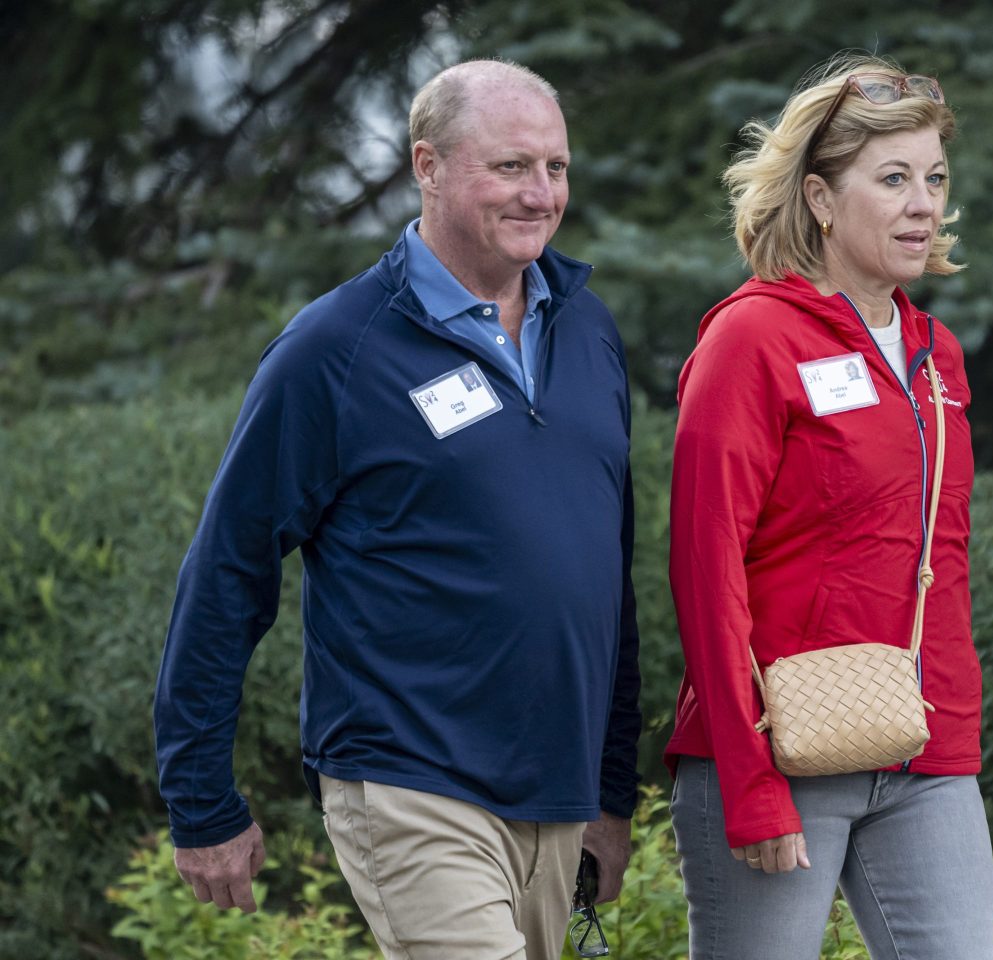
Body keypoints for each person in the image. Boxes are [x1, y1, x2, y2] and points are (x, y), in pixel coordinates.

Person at [154, 59, 642, 960]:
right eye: (511, 167)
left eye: (557, 168)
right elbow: (228, 569)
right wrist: (198, 798)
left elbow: (607, 578)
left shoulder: (588, 331)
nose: (541, 194)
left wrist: (612, 792)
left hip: (557, 795)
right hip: (413, 781)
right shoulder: (335, 350)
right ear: (428, 167)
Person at [664, 54, 993, 959]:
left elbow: (944, 560)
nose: (922, 205)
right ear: (818, 198)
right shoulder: (750, 337)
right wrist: (748, 778)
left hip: (921, 753)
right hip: (782, 746)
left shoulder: (939, 357)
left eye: (933, 179)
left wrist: (955, 739)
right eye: (892, 180)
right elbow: (706, 564)